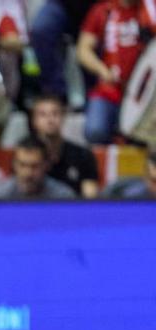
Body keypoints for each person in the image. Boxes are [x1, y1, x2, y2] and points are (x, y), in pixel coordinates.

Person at [77, 0, 156, 144]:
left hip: (146, 94)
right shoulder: (103, 10)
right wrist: (102, 70)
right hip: (110, 90)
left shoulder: (151, 9)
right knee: (95, 130)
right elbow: (83, 50)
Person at [30, 93, 100, 197]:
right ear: (33, 120)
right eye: (43, 114)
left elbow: (90, 196)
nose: (50, 120)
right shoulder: (26, 156)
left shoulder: (83, 155)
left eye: (55, 114)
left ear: (64, 117)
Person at [32, 0, 96, 99]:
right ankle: (55, 93)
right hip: (61, 4)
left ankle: (94, 96)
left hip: (96, 6)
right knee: (41, 29)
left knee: (96, 43)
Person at [0, 137, 79, 198]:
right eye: (22, 165)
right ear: (14, 164)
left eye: (35, 166)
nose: (28, 173)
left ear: (46, 165)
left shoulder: (63, 197)